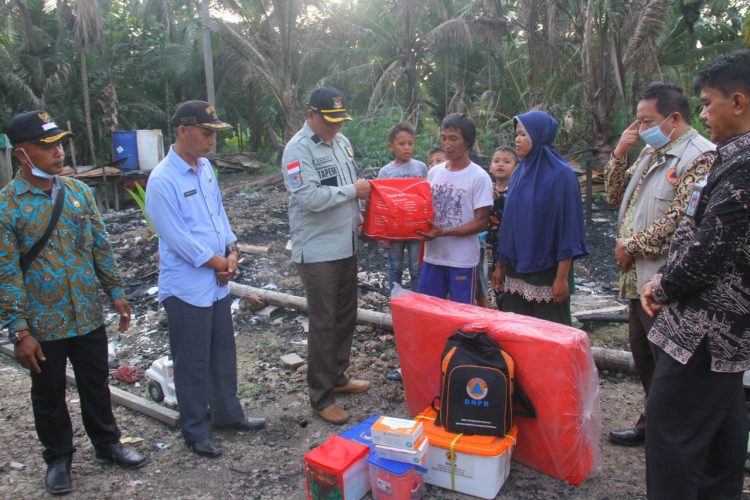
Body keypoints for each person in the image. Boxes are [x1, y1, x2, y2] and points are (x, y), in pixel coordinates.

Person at [0, 111, 147, 495]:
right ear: (22, 154)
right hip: (42, 322)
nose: (58, 153)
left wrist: (116, 291)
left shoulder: (79, 193)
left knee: (95, 384)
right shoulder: (8, 206)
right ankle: (59, 458)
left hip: (86, 312)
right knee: (48, 394)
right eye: (46, 147)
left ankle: (107, 444)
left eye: (59, 144)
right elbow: (6, 272)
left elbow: (99, 245)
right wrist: (19, 330)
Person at [640, 49, 750, 499]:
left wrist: (662, 284)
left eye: (707, 103)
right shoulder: (731, 157)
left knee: (671, 436)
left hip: (705, 329)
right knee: (722, 434)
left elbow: (709, 248)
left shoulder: (742, 165)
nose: (703, 113)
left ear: (738, 102)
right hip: (725, 332)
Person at [145, 101, 265, 459]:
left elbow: (218, 214)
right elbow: (177, 237)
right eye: (206, 132)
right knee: (192, 360)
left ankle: (228, 414)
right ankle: (194, 429)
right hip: (186, 286)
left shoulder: (206, 169)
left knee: (222, 353)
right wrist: (217, 262)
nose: (212, 140)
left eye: (214, 133)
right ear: (183, 131)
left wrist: (232, 251)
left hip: (216, 281)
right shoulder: (163, 179)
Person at [604, 83, 715, 447]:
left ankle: (672, 433)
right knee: (644, 356)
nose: (640, 129)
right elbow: (614, 194)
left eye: (647, 120)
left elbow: (681, 220)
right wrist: (621, 152)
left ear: (674, 118)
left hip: (665, 278)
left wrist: (630, 246)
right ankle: (652, 423)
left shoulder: (699, 156)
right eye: (637, 122)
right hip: (637, 278)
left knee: (669, 362)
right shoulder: (653, 151)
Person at [281, 87, 372, 425]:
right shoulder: (296, 151)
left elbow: (346, 187)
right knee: (324, 322)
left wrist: (359, 215)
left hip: (346, 243)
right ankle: (320, 397)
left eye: (339, 120)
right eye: (329, 121)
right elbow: (308, 197)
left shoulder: (342, 142)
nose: (335, 127)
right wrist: (354, 192)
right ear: (310, 115)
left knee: (345, 315)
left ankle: (338, 376)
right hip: (318, 250)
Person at [493, 110, 588, 325]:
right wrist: (500, 266)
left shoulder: (561, 174)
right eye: (516, 134)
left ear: (539, 135)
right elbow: (508, 224)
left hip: (547, 271)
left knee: (550, 333)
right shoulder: (518, 172)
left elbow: (569, 228)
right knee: (517, 331)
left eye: (523, 134)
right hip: (516, 268)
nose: (517, 139)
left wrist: (561, 277)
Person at [417, 113, 493, 304]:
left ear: (467, 141)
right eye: (443, 138)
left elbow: (482, 221)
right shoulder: (434, 172)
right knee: (430, 310)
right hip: (433, 257)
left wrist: (444, 232)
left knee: (460, 316)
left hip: (462, 260)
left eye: (453, 138)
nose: (447, 144)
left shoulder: (479, 177)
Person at [377, 122, 428, 290]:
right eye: (401, 144)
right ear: (391, 146)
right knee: (395, 266)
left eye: (410, 143)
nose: (407, 148)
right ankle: (396, 299)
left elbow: (427, 198)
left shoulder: (421, 168)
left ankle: (417, 302)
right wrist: (382, 235)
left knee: (416, 267)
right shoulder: (385, 172)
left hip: (416, 229)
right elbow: (381, 204)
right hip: (395, 230)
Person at [486, 146, 519, 309]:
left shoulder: (515, 192)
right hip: (488, 247)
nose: (501, 165)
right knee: (494, 284)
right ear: (490, 167)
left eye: (507, 162)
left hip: (507, 248)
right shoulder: (486, 189)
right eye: (496, 161)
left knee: (506, 286)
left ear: (516, 168)